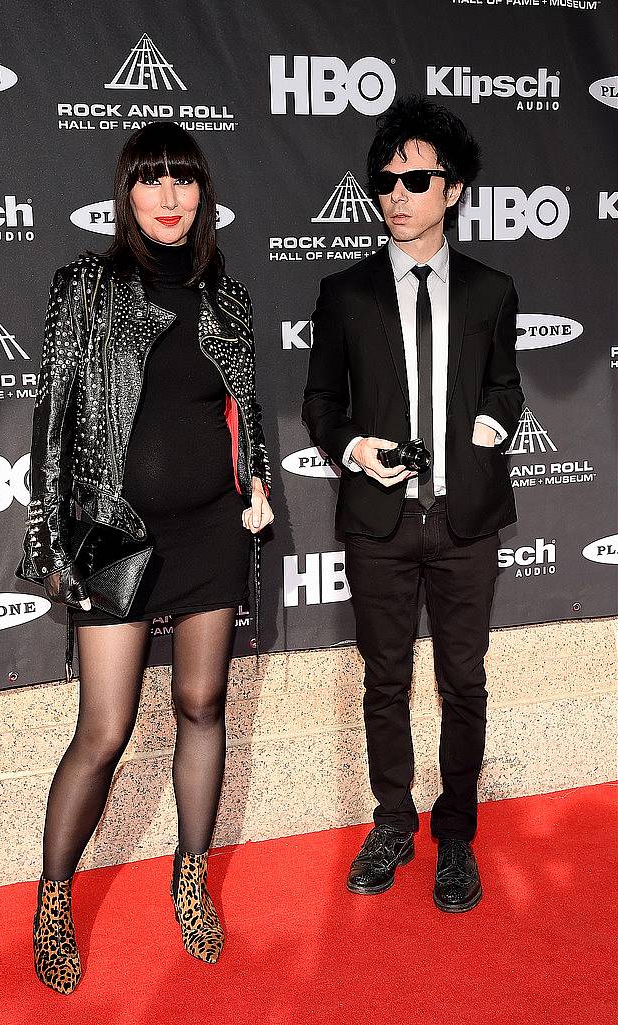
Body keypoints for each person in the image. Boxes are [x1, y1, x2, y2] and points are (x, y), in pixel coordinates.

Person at [17, 122, 273, 990]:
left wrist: (260, 484)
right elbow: (50, 421)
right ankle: (53, 899)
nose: (170, 198)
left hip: (211, 528)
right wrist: (51, 537)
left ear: (203, 194)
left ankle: (190, 876)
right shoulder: (83, 288)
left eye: (185, 182)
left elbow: (246, 410)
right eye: (152, 181)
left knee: (204, 704)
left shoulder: (227, 298)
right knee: (106, 728)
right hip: (111, 531)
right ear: (126, 194)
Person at [302, 96, 523, 913]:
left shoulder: (492, 289)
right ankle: (391, 820)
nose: (397, 194)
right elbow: (321, 402)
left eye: (416, 179)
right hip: (378, 522)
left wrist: (487, 428)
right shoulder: (345, 291)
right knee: (384, 679)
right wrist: (356, 449)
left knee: (462, 679)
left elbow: (506, 382)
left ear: (452, 188)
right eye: (385, 182)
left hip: (464, 521)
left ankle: (455, 830)